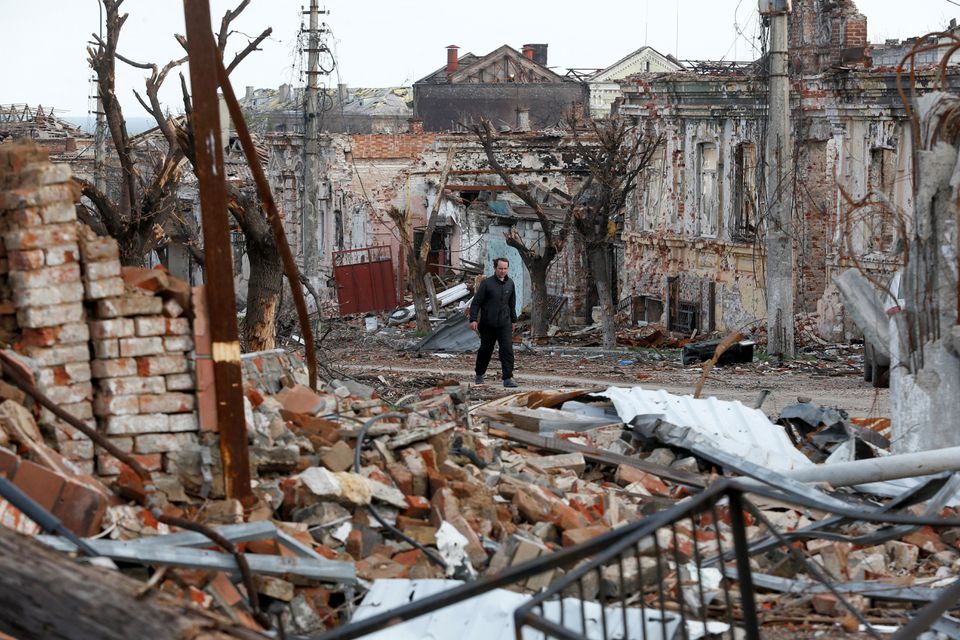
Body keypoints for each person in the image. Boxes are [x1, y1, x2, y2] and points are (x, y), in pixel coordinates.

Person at [470, 257, 518, 388]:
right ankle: (479, 374)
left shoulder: (510, 284)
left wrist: (514, 321)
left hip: (504, 324)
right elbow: (476, 303)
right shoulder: (487, 284)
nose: (503, 271)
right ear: (495, 268)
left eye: (505, 268)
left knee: (507, 350)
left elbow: (512, 304)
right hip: (487, 324)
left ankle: (508, 378)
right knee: (486, 350)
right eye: (500, 268)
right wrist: (473, 319)